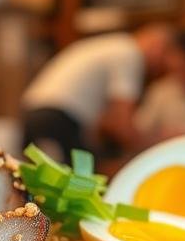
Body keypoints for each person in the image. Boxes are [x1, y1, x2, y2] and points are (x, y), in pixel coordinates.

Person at [20, 23, 173, 157]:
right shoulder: (130, 53)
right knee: (76, 177)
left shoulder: (112, 45)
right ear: (158, 46)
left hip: (35, 112)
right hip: (58, 118)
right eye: (166, 56)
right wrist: (155, 145)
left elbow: (109, 122)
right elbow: (121, 123)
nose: (163, 65)